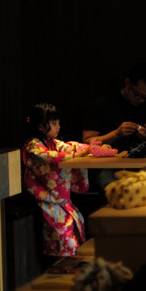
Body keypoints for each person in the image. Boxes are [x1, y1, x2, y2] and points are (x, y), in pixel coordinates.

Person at [22, 103, 93, 258]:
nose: (58, 126)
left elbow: (70, 147)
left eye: (58, 122)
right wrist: (79, 154)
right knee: (63, 236)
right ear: (40, 126)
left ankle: (71, 265)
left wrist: (91, 148)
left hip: (60, 200)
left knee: (76, 226)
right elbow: (51, 157)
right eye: (54, 123)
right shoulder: (33, 145)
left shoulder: (53, 143)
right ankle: (61, 267)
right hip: (47, 199)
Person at [83, 61, 146, 152]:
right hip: (109, 163)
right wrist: (115, 134)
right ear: (128, 83)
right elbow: (86, 142)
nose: (142, 101)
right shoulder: (103, 105)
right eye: (138, 95)